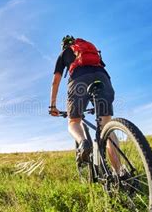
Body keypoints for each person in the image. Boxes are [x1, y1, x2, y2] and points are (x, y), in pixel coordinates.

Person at [49, 35, 118, 165]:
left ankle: (83, 142)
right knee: (106, 126)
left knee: (74, 121)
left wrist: (52, 106)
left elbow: (55, 82)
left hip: (79, 80)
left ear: (64, 45)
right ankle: (120, 173)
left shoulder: (64, 53)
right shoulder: (89, 47)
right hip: (102, 77)